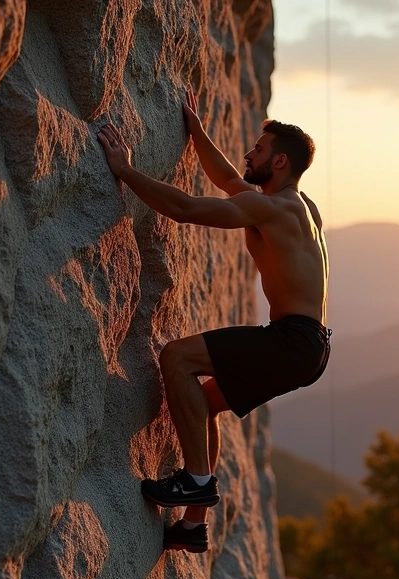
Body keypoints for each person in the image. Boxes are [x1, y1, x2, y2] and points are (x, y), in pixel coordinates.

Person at [96, 90, 330, 553]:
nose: (249, 153)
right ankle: (191, 526)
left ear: (280, 161)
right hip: (311, 346)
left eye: (259, 150)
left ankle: (197, 482)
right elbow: (226, 177)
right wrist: (197, 132)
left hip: (292, 341)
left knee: (177, 358)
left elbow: (185, 209)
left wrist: (124, 170)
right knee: (202, 403)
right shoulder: (300, 207)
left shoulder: (272, 208)